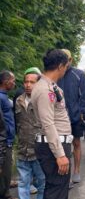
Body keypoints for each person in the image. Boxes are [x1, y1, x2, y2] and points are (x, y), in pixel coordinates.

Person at [32, 49, 72, 199]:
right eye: (66, 66)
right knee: (57, 190)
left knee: (57, 188)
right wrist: (60, 154)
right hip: (53, 147)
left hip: (55, 144)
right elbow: (47, 123)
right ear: (61, 66)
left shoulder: (50, 86)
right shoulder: (44, 90)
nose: (66, 70)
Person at [57, 49, 85, 184]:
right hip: (58, 118)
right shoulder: (55, 74)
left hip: (75, 117)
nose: (65, 62)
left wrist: (79, 113)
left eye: (67, 59)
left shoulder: (79, 74)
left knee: (76, 143)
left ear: (71, 60)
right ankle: (65, 174)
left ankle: (76, 170)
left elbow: (84, 97)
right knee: (62, 145)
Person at [15, 68, 45, 199]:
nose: (28, 85)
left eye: (32, 82)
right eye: (26, 82)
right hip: (23, 150)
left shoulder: (43, 100)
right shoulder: (19, 101)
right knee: (23, 183)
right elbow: (18, 124)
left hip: (39, 149)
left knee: (42, 183)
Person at [0, 70, 16, 199]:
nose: (14, 83)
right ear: (6, 82)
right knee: (4, 169)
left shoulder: (4, 96)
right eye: (13, 80)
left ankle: (6, 189)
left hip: (8, 139)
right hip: (3, 141)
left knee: (7, 168)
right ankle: (5, 195)